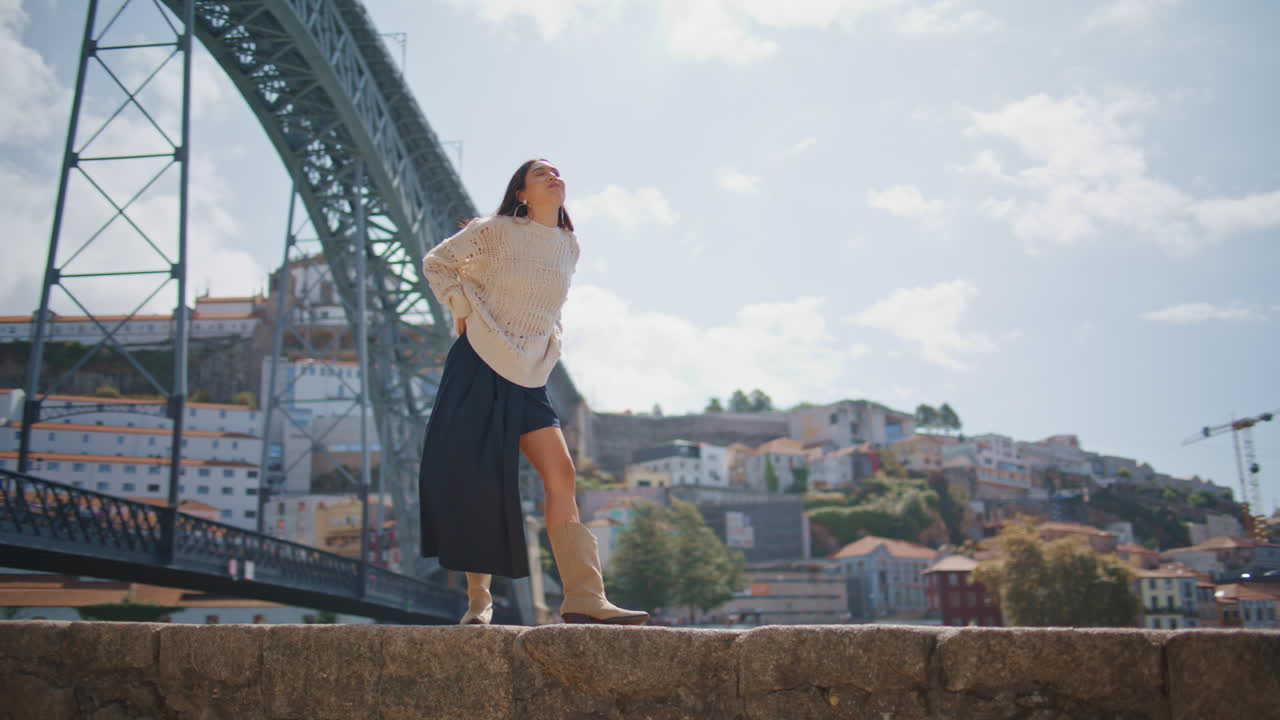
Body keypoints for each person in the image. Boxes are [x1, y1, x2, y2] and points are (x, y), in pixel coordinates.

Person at [418, 158, 649, 626]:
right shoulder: (496, 230)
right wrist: (462, 305)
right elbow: (437, 263)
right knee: (481, 478)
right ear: (521, 193)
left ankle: (585, 597)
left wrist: (551, 341)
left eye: (557, 171)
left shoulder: (569, 246)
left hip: (529, 375)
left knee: (561, 474)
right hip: (479, 362)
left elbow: (548, 304)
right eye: (540, 173)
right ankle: (479, 602)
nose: (553, 176)